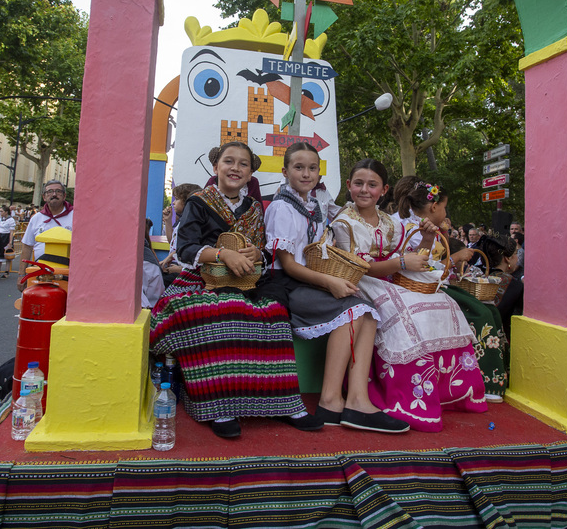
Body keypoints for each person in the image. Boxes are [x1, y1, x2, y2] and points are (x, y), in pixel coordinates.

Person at [150, 141, 321, 439]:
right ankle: (219, 406)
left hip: (247, 280)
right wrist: (221, 255)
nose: (235, 168)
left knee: (274, 311)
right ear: (216, 167)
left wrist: (258, 255)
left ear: (251, 173)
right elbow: (184, 248)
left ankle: (285, 403)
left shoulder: (254, 208)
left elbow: (267, 252)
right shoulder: (198, 202)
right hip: (202, 279)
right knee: (223, 310)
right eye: (229, 162)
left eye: (243, 164)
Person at [333, 159, 487, 432]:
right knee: (408, 314)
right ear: (349, 186)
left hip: (389, 278)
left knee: (443, 302)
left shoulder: (387, 222)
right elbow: (357, 265)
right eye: (359, 184)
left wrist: (427, 240)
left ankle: (448, 390)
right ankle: (410, 397)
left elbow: (410, 254)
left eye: (372, 184)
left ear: (384, 189)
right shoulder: (345, 221)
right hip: (361, 280)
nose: (365, 190)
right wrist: (400, 264)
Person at [265, 143, 408, 433]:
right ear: (285, 171)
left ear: (319, 173)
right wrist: (330, 282)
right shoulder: (281, 207)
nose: (307, 174)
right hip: (288, 285)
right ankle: (330, 399)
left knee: (368, 310)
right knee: (355, 309)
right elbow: (289, 266)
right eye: (299, 167)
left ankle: (357, 401)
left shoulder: (314, 204)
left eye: (312, 168)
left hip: (309, 279)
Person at [396, 180, 509, 403]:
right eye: (445, 207)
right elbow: (426, 267)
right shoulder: (413, 230)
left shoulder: (430, 229)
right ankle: (485, 381)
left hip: (435, 286)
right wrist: (456, 257)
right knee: (480, 314)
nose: (446, 212)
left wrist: (445, 234)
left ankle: (497, 376)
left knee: (491, 310)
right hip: (421, 289)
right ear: (434, 207)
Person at [17, 180, 73, 289]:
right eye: (50, 192)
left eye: (58, 191)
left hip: (67, 273)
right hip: (40, 272)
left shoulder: (75, 216)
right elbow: (27, 246)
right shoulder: (36, 218)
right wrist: (21, 274)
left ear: (64, 195)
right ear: (44, 197)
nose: (54, 194)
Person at [0, 206, 16, 277]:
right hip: (0, 237)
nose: (0, 213)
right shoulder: (1, 219)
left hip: (6, 237)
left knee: (7, 254)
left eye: (1, 211)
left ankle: (7, 271)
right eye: (0, 211)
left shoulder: (11, 220)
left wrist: (10, 242)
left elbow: (11, 232)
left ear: (6, 212)